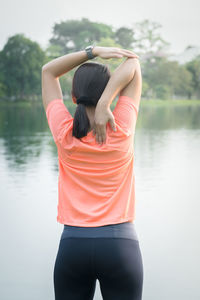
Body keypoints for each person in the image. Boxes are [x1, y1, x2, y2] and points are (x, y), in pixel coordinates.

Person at [42, 45, 143, 300]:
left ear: (74, 97)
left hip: (73, 244)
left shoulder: (64, 132)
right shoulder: (121, 128)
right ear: (107, 91)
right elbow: (133, 64)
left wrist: (93, 51)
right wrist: (106, 102)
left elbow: (48, 72)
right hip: (120, 246)